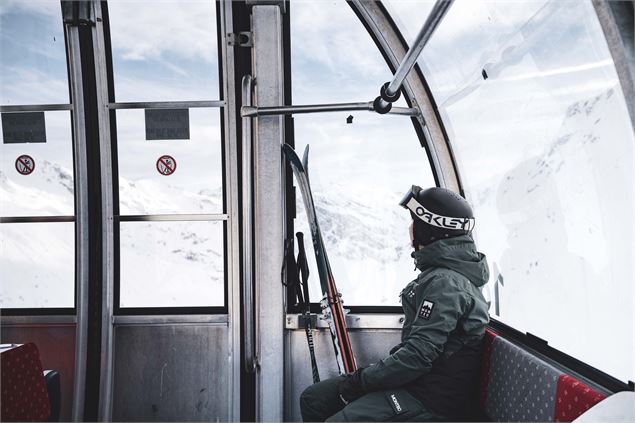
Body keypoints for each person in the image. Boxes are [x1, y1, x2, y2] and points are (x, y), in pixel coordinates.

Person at [300, 186, 490, 422]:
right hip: (414, 383)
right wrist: (368, 377)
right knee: (314, 399)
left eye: (415, 222)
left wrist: (360, 381)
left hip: (430, 401)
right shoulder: (441, 277)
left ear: (429, 229)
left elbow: (417, 357)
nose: (410, 229)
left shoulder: (446, 284)